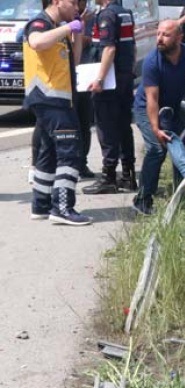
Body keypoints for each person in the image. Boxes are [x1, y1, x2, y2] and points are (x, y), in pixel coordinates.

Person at [23, 0, 93, 225]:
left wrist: (77, 35)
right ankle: (62, 208)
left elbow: (74, 62)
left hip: (57, 99)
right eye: (73, 2)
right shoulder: (40, 23)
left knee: (48, 154)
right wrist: (67, 28)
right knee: (70, 152)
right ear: (57, 1)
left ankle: (41, 205)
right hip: (51, 99)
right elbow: (36, 42)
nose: (77, 6)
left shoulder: (59, 29)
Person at [131, 19, 185, 215]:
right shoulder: (152, 62)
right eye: (158, 34)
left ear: (179, 38)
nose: (159, 39)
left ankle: (184, 195)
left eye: (166, 35)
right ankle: (142, 199)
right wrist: (156, 129)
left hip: (172, 108)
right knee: (157, 149)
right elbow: (152, 99)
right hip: (146, 108)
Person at [82, 0, 137, 194]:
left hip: (110, 81)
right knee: (123, 126)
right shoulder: (125, 13)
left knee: (106, 127)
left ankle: (108, 177)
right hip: (124, 77)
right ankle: (128, 175)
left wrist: (99, 79)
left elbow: (109, 49)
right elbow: (132, 46)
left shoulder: (106, 15)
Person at [75, 0, 95, 179]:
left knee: (84, 122)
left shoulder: (91, 17)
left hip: (86, 75)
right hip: (68, 77)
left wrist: (80, 27)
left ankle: (82, 163)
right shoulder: (65, 18)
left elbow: (91, 40)